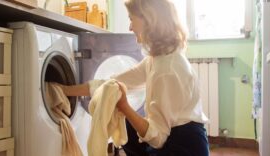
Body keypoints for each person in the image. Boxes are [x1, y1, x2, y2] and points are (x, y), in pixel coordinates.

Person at [60, 0, 209, 155]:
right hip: (173, 137)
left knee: (127, 120)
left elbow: (158, 138)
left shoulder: (167, 69)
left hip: (184, 147)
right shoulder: (156, 60)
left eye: (131, 19)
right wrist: (63, 90)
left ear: (149, 20)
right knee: (127, 124)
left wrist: (124, 106)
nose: (130, 27)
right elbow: (111, 83)